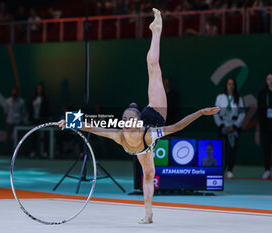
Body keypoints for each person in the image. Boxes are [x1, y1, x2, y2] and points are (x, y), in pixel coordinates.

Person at [58, 9, 220, 224]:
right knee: (148, 174)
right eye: (123, 120)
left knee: (153, 67)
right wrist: (69, 121)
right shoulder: (120, 134)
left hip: (155, 113)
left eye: (128, 121)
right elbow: (91, 126)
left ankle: (157, 31)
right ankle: (149, 214)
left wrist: (200, 112)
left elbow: (178, 127)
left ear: (137, 122)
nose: (124, 124)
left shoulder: (149, 133)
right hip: (144, 140)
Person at [214, 77, 245, 179]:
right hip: (223, 127)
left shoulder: (239, 99)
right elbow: (215, 113)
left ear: (235, 86)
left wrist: (235, 126)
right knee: (221, 149)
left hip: (233, 128)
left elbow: (242, 114)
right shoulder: (220, 97)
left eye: (232, 84)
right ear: (226, 85)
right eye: (229, 84)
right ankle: (221, 170)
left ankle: (230, 170)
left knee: (232, 149)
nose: (230, 86)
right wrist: (221, 125)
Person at [257, 72, 272, 179]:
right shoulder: (262, 93)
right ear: (266, 81)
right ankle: (267, 170)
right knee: (266, 149)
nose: (271, 81)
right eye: (269, 79)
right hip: (265, 127)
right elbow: (260, 110)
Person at [4, 87, 27, 155]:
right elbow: (5, 112)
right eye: (13, 91)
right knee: (8, 138)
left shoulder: (22, 102)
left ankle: (19, 153)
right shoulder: (8, 101)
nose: (14, 93)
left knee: (19, 139)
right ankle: (6, 152)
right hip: (10, 121)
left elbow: (24, 113)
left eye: (15, 91)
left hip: (18, 122)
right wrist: (6, 120)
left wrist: (22, 119)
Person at [29, 85, 49, 158]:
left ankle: (44, 152)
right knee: (34, 136)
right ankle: (33, 151)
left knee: (43, 136)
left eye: (40, 89)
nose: (39, 90)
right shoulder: (33, 98)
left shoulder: (45, 99)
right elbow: (31, 109)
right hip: (34, 120)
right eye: (38, 89)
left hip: (42, 120)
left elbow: (46, 109)